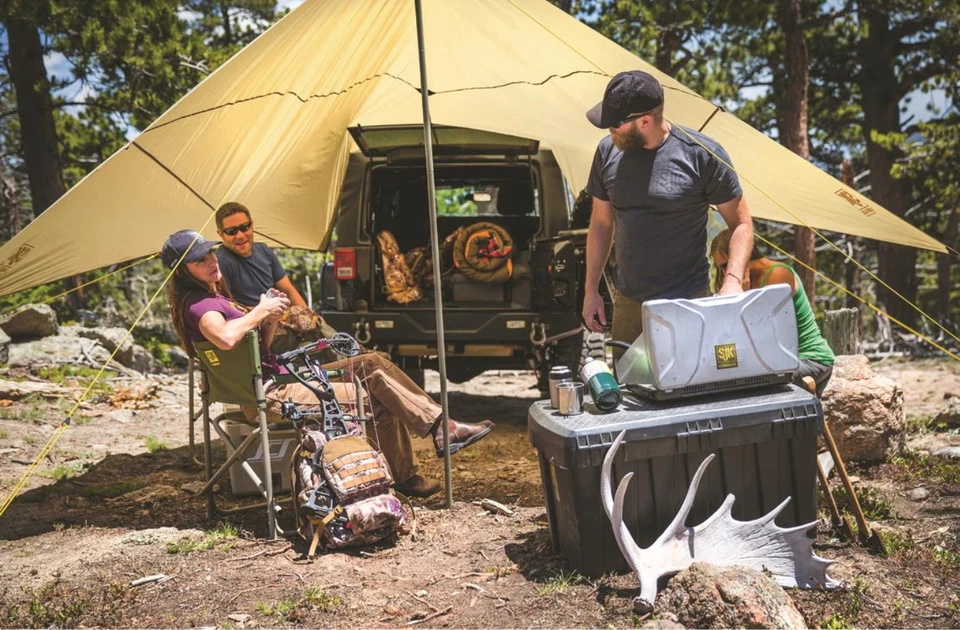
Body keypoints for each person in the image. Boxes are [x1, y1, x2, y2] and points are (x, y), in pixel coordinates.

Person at [162, 229, 494, 498]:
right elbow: (225, 338)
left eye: (210, 253)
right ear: (182, 270)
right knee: (375, 395)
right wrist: (260, 310)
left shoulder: (213, 296)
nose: (211, 261)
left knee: (371, 364)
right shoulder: (200, 305)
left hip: (279, 378)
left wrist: (270, 319)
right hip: (271, 395)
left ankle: (441, 429)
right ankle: (406, 470)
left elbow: (258, 348)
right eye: (200, 260)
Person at [580, 70, 755, 357]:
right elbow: (601, 223)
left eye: (615, 124)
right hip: (630, 304)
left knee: (691, 381)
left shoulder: (701, 154)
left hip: (688, 302)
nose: (609, 130)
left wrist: (733, 281)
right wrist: (591, 291)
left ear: (645, 121)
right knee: (630, 383)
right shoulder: (606, 152)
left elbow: (742, 224)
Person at [710, 229, 835, 396]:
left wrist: (741, 295)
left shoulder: (778, 274)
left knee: (751, 387)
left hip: (810, 359)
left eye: (725, 266)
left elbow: (762, 334)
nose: (725, 274)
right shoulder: (747, 282)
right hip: (778, 363)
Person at [214, 201, 308, 309]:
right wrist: (267, 310)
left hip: (277, 313)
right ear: (220, 234)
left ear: (251, 225)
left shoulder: (264, 250)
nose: (240, 236)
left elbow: (288, 290)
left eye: (244, 227)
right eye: (231, 231)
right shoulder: (220, 262)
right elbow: (226, 307)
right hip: (252, 318)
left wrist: (309, 314)